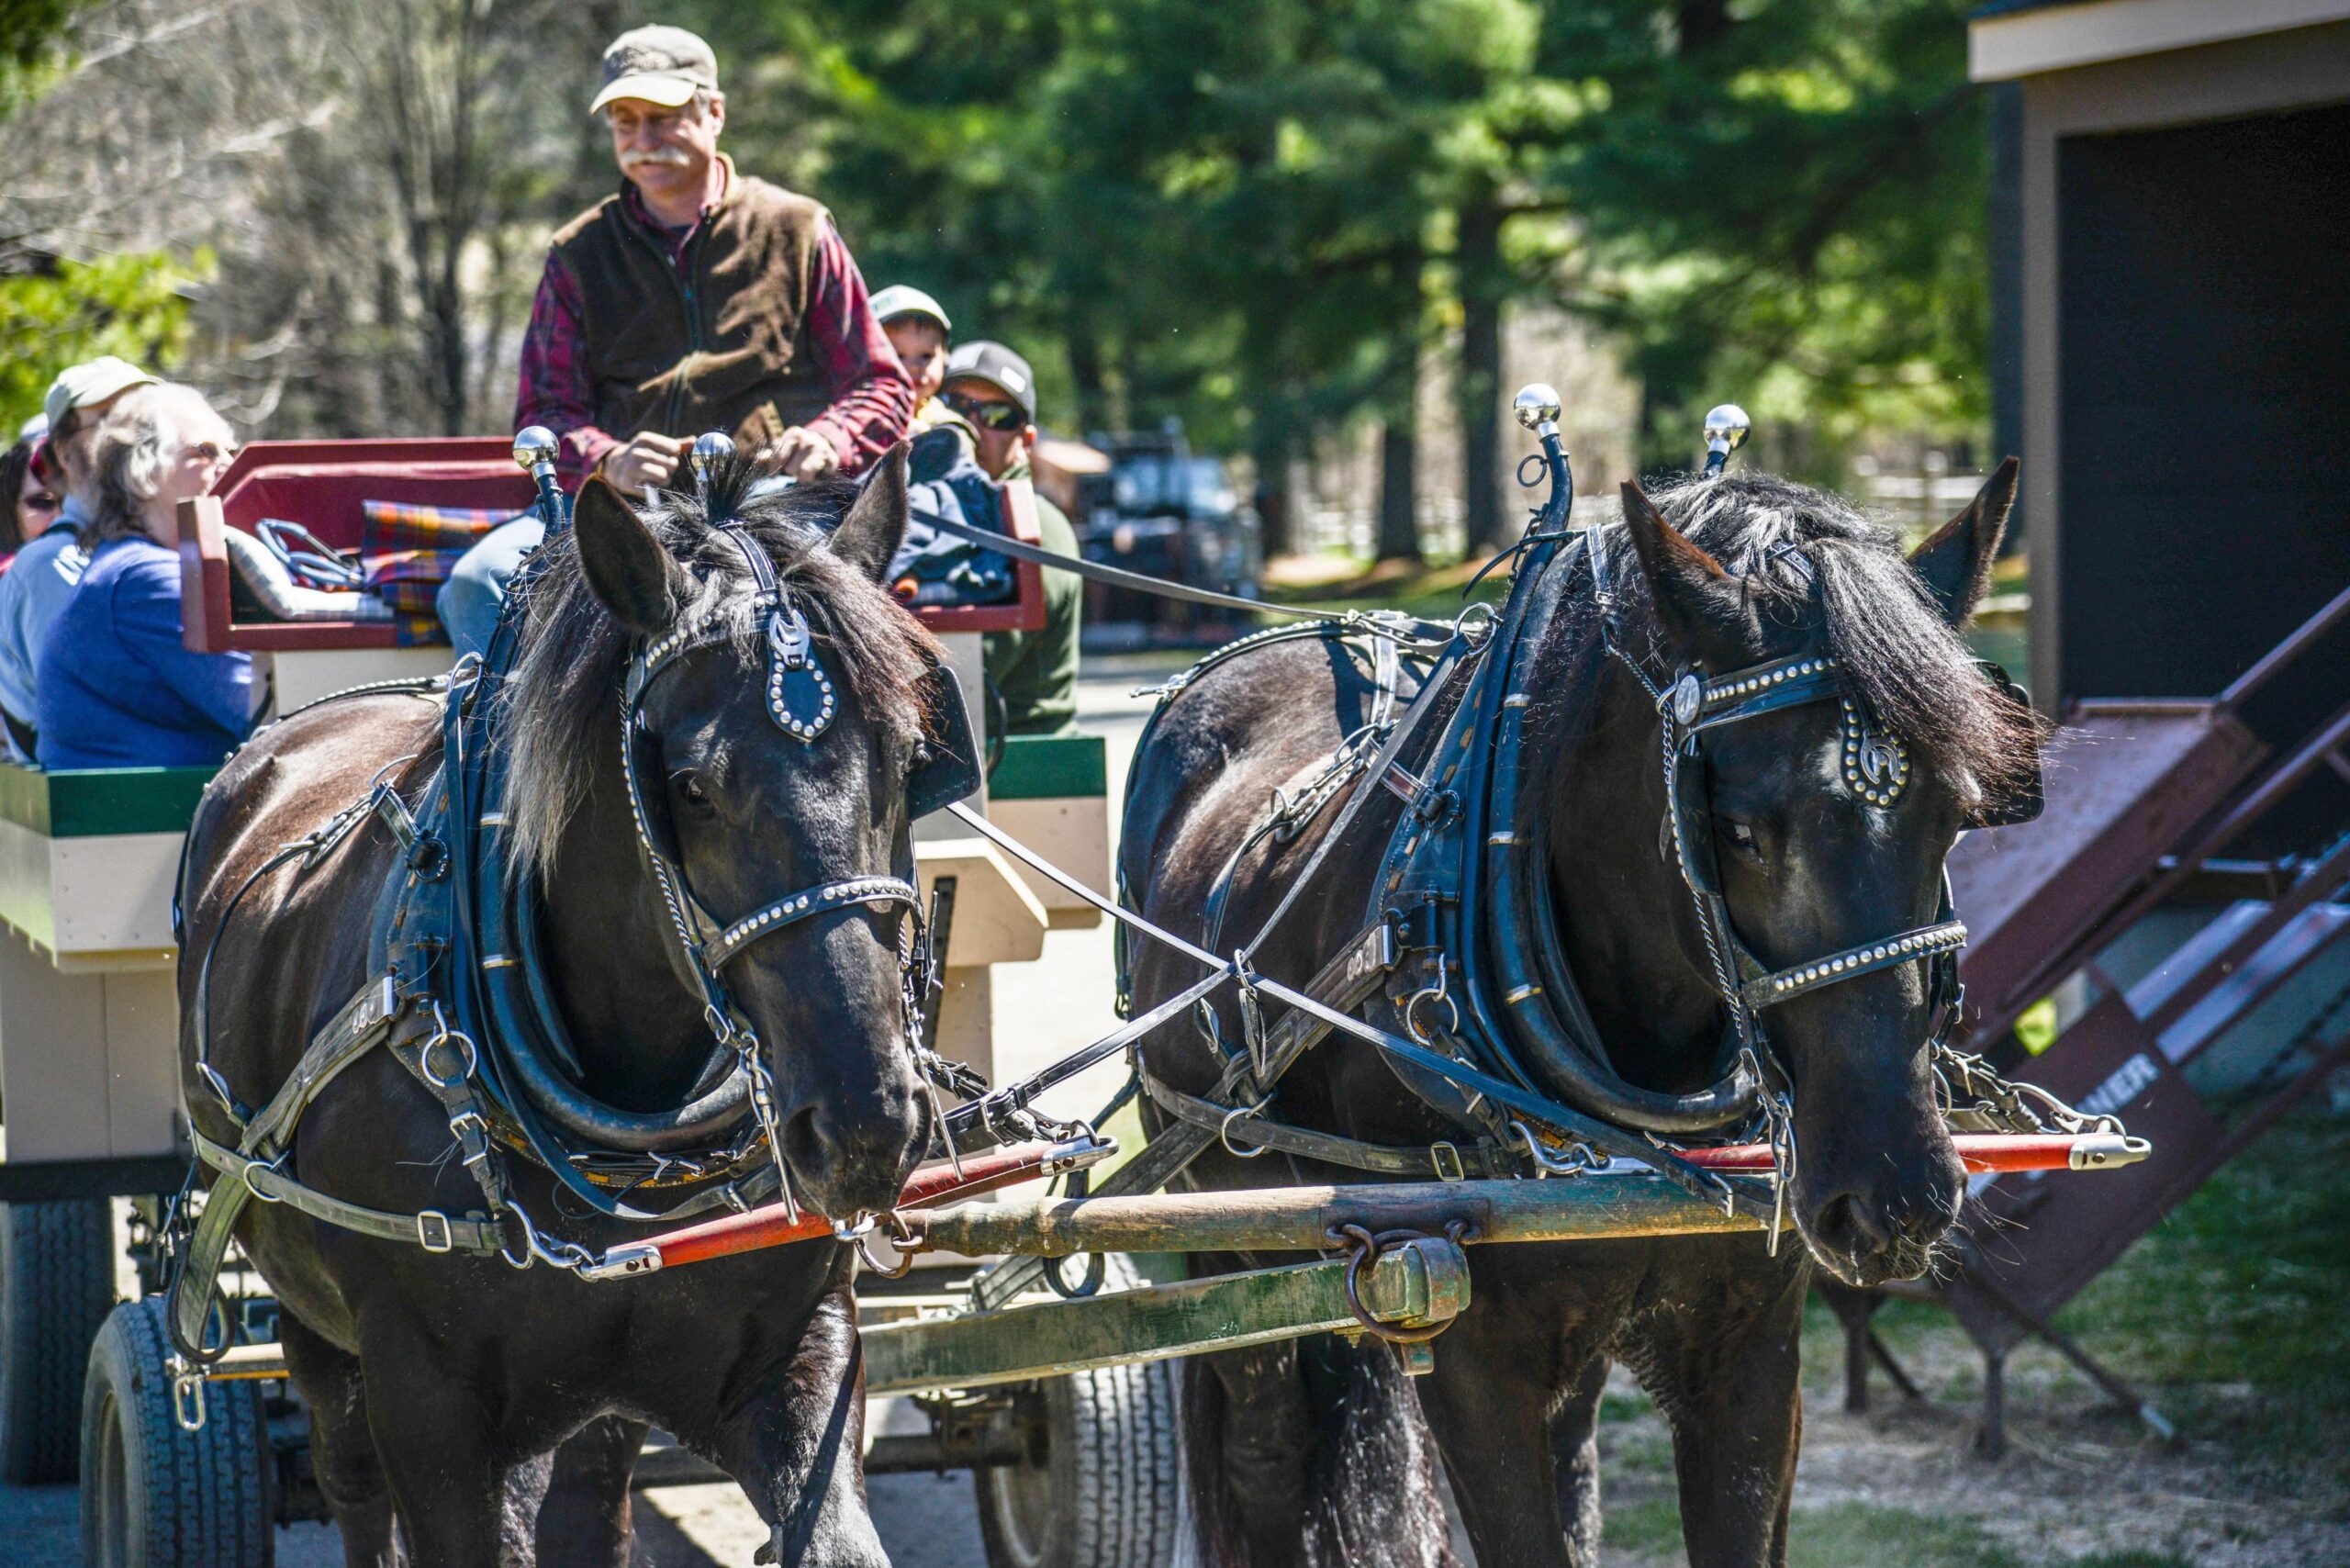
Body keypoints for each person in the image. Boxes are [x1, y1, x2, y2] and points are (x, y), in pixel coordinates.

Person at [437, 24, 913, 655]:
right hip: (629, 514)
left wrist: (828, 439)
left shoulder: (797, 230)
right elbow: (546, 414)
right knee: (475, 584)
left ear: (714, 112)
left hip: (774, 503)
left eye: (662, 117)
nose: (643, 139)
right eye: (625, 122)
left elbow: (880, 384)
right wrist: (610, 460)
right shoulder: (577, 254)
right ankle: (529, 755)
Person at [35, 384, 253, 769]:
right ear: (142, 471)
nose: (229, 466)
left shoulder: (127, 565)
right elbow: (267, 705)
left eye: (232, 452)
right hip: (151, 823)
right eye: (205, 451)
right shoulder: (144, 579)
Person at [0, 357, 157, 758]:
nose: (134, 438)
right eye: (109, 422)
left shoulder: (163, 544)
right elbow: (85, 720)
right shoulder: (51, 566)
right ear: (64, 455)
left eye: (147, 421)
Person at [939, 341, 1082, 737]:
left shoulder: (1037, 526)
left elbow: (969, 669)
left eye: (996, 415)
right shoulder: (940, 511)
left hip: (1030, 761)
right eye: (955, 407)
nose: (971, 427)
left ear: (1027, 440)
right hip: (962, 746)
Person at [869, 285, 952, 420]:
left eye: (926, 356)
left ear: (944, 359)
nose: (914, 367)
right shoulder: (860, 417)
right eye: (898, 356)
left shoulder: (948, 424)